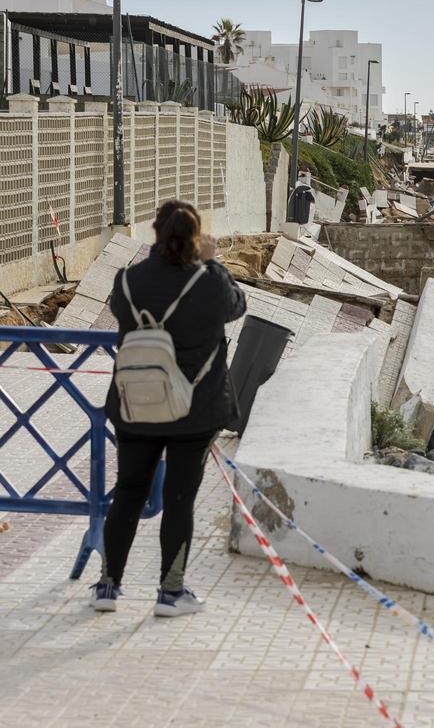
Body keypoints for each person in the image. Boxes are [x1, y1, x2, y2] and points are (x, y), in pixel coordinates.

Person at [91, 200, 247, 617]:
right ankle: (170, 592)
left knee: (127, 492)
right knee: (179, 500)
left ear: (156, 234)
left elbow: (119, 311)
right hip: (191, 412)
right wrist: (212, 262)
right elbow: (237, 305)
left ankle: (108, 584)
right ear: (195, 238)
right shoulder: (207, 281)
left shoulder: (127, 281)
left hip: (135, 405)